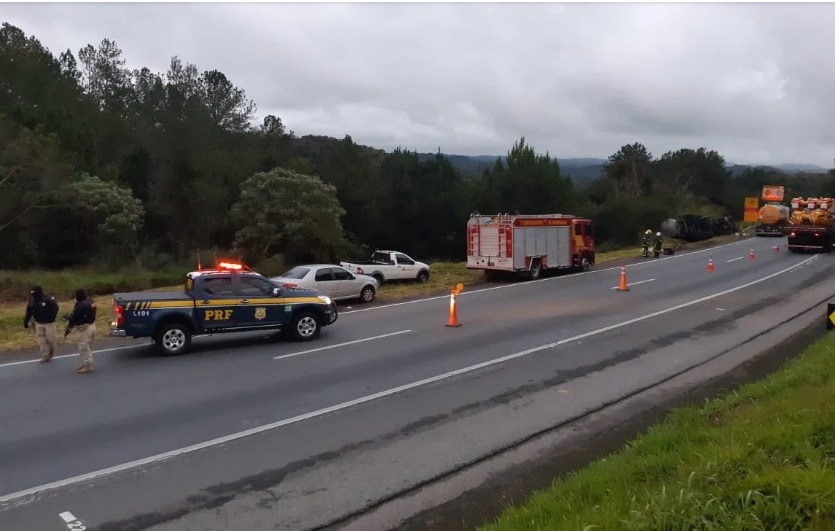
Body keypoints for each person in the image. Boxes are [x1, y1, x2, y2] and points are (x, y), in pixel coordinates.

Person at [23, 285, 59, 362]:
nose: (33, 295)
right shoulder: (32, 300)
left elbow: (55, 308)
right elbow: (29, 311)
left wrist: (52, 317)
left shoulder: (48, 299)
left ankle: (51, 350)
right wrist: (26, 321)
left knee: (51, 340)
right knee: (42, 341)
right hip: (38, 323)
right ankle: (45, 356)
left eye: (34, 294)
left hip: (49, 324)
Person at [68, 288, 97, 374]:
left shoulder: (80, 305)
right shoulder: (92, 302)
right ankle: (87, 363)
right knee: (88, 346)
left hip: (84, 329)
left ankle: (88, 365)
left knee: (84, 347)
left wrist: (68, 317)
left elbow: (75, 318)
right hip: (92, 326)